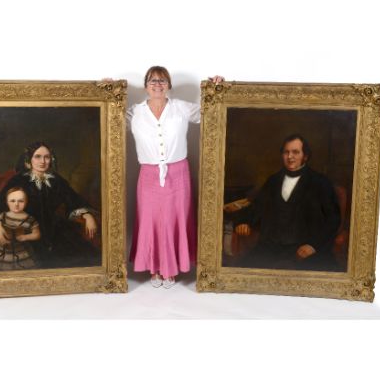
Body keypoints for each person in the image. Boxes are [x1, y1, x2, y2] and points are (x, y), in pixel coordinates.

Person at [127, 66, 223, 288]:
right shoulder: (134, 112)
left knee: (173, 219)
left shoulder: (181, 108)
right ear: (145, 86)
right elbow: (109, 117)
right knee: (150, 220)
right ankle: (154, 268)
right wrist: (106, 90)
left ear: (168, 85)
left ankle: (170, 269)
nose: (157, 84)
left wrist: (217, 89)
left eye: (162, 81)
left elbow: (211, 111)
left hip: (178, 173)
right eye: (153, 80)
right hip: (149, 174)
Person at [232, 134, 342, 271]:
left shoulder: (320, 182)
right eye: (286, 152)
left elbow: (333, 219)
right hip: (270, 248)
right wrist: (243, 221)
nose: (290, 157)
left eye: (295, 152)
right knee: (243, 271)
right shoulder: (273, 181)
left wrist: (313, 246)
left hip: (304, 249)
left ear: (305, 156)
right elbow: (256, 207)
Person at [0, 141, 100, 269]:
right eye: (38, 156)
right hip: (27, 232)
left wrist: (87, 215)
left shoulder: (56, 180)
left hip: (55, 230)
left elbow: (72, 198)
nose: (43, 161)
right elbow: (0, 205)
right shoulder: (18, 180)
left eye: (47, 157)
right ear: (29, 161)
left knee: (84, 258)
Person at [0, 187, 40, 270]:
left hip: (20, 249)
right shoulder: (3, 216)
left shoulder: (29, 219)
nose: (16, 204)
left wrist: (25, 237)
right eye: (12, 201)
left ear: (26, 202)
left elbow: (37, 234)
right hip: (0, 248)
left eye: (21, 201)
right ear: (7, 202)